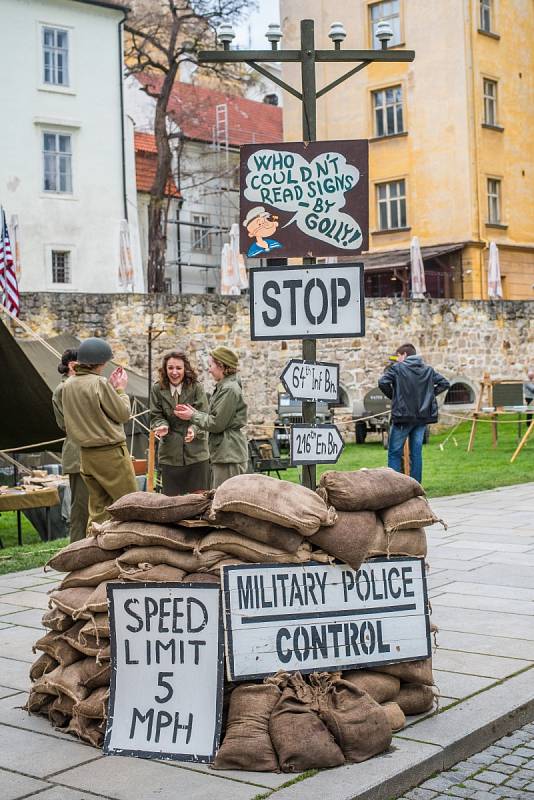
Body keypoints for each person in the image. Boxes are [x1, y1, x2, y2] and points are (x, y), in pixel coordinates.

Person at [61, 337, 137, 528]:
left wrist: (110, 389)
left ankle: (93, 554)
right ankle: (132, 550)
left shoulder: (69, 384)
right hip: (110, 454)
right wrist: (119, 390)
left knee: (98, 512)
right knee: (131, 505)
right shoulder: (99, 383)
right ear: (102, 362)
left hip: (86, 455)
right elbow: (123, 413)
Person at [175, 347, 248, 489]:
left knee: (226, 501)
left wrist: (193, 416)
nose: (209, 370)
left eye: (211, 365)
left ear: (221, 365)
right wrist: (195, 413)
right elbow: (215, 417)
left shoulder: (229, 389)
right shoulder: (225, 387)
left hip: (228, 455)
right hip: (225, 453)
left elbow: (217, 423)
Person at [378, 343, 450, 484]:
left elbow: (382, 382)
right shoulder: (428, 370)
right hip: (421, 418)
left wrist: (394, 396)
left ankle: (395, 486)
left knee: (394, 452)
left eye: (398, 356)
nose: (397, 359)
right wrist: (429, 395)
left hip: (403, 417)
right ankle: (416, 487)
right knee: (416, 453)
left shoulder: (398, 368)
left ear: (404, 355)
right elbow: (445, 383)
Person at [150, 350, 210, 495]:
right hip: (170, 454)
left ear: (185, 369)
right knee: (171, 501)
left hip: (196, 453)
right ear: (165, 369)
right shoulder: (157, 389)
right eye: (170, 368)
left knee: (199, 499)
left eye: (179, 368)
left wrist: (193, 429)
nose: (174, 372)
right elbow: (155, 415)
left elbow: (204, 415)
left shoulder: (196, 387)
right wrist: (161, 425)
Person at [51, 349, 89, 542]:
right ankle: (77, 549)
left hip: (91, 450)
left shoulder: (83, 385)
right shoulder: (64, 389)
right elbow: (68, 424)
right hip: (77, 452)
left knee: (93, 504)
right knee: (81, 506)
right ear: (72, 365)